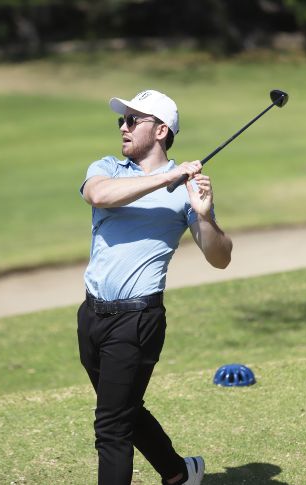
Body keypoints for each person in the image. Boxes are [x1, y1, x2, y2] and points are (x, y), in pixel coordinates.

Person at [76, 89, 233, 485]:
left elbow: (220, 257)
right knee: (124, 407)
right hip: (92, 314)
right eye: (122, 121)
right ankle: (180, 472)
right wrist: (168, 176)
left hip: (138, 319)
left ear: (161, 130)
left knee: (111, 426)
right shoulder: (108, 166)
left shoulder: (187, 191)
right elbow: (98, 194)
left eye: (133, 120)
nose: (123, 128)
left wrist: (204, 216)